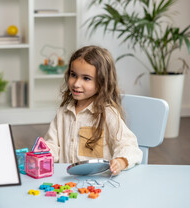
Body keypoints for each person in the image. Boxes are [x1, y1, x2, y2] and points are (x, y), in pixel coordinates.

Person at [44, 46, 143, 175]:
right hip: (67, 183)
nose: (76, 84)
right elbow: (51, 145)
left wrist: (120, 161)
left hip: (98, 184)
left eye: (86, 78)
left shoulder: (108, 114)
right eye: (73, 75)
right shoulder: (63, 112)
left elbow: (129, 146)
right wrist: (42, 154)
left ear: (102, 82)